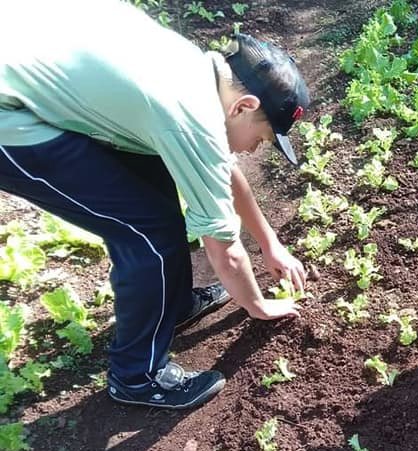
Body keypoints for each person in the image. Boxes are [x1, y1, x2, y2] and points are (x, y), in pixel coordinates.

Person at [0, 0, 309, 410]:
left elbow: (220, 171)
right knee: (145, 232)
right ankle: (137, 377)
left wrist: (271, 244)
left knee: (155, 191)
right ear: (245, 106)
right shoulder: (190, 117)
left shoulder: (198, 72)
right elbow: (226, 251)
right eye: (263, 138)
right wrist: (257, 305)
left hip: (24, 60)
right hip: (9, 118)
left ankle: (174, 306)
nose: (255, 149)